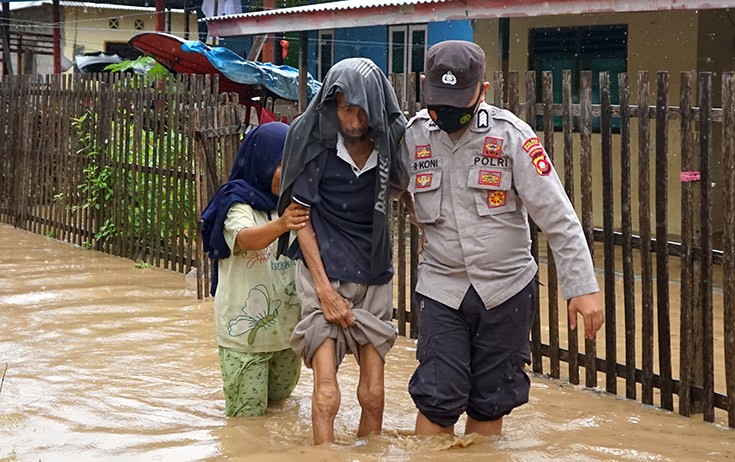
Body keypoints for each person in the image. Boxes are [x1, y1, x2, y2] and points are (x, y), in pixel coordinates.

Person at [403, 40, 605, 436]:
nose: (447, 115)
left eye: (460, 104)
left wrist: (582, 287)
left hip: (507, 290)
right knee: (436, 396)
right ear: (425, 86)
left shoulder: (513, 137)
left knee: (490, 401)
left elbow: (559, 217)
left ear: (483, 90)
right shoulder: (411, 137)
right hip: (441, 288)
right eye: (438, 104)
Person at [276, 57, 411, 445]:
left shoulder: (392, 143)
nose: (351, 120)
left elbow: (408, 196)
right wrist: (324, 291)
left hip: (373, 271)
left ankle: (369, 452)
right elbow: (299, 219)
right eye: (343, 108)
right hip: (323, 270)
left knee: (373, 392)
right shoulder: (314, 145)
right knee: (326, 393)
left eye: (359, 110)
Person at [201, 122, 309, 417]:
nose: (289, 173)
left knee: (279, 411)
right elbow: (245, 239)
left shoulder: (293, 204)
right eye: (281, 165)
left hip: (287, 332)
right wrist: (282, 224)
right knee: (246, 421)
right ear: (261, 161)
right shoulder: (235, 202)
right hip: (243, 336)